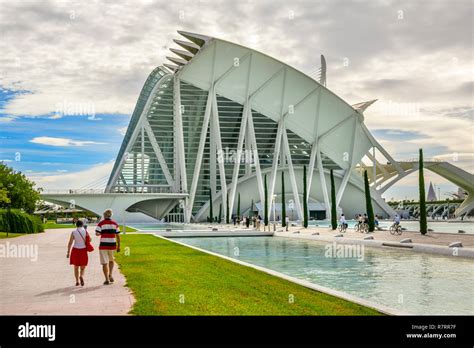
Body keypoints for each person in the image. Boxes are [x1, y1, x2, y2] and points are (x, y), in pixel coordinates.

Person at [95, 209, 121, 285]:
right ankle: (111, 274)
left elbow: (97, 233)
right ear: (110, 215)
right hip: (112, 245)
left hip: (103, 245)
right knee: (111, 260)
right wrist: (118, 246)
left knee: (104, 263)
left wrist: (101, 233)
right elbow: (118, 236)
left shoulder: (101, 224)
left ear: (104, 215)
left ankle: (106, 279)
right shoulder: (115, 224)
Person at [67, 220, 90, 286]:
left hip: (75, 250)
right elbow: (90, 240)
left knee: (76, 267)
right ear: (82, 225)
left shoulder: (74, 232)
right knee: (83, 266)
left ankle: (77, 281)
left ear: (76, 225)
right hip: (83, 250)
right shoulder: (85, 231)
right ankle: (81, 276)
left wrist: (68, 252)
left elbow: (70, 242)